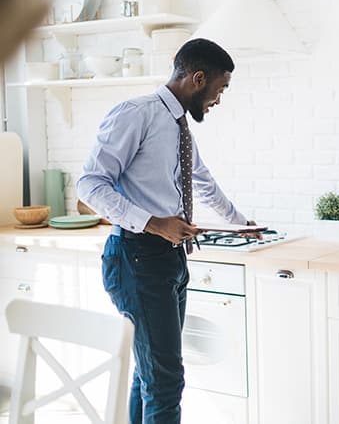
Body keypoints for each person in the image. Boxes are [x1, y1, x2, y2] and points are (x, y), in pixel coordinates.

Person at [77, 38, 258, 424]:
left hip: (169, 259)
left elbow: (202, 181)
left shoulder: (177, 127)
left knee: (151, 375)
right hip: (137, 256)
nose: (218, 100)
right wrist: (156, 224)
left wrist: (243, 225)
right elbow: (90, 185)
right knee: (165, 380)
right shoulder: (135, 114)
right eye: (219, 89)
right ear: (197, 78)